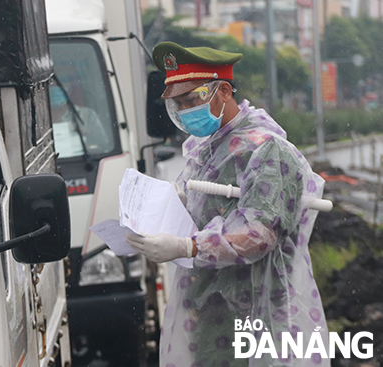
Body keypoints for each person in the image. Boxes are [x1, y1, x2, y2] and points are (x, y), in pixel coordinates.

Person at [126, 42, 329, 367]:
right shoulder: (206, 151)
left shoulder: (266, 151)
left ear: (222, 91)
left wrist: (186, 247)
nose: (184, 110)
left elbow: (260, 236)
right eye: (177, 103)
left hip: (256, 316)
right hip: (210, 314)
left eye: (191, 99)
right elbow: (202, 210)